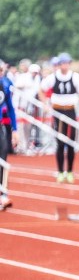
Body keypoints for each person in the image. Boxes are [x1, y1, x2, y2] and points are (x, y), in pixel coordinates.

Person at [39, 53, 79, 183]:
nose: (64, 66)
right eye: (62, 63)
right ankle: (60, 171)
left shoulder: (75, 77)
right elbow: (41, 90)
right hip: (58, 111)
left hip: (71, 111)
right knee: (60, 143)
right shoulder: (53, 77)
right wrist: (45, 104)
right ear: (59, 64)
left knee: (71, 142)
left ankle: (70, 171)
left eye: (67, 63)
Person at [0, 61, 18, 210]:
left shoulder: (5, 86)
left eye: (1, 71)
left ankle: (3, 194)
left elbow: (11, 108)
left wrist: (15, 130)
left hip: (1, 128)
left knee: (3, 160)